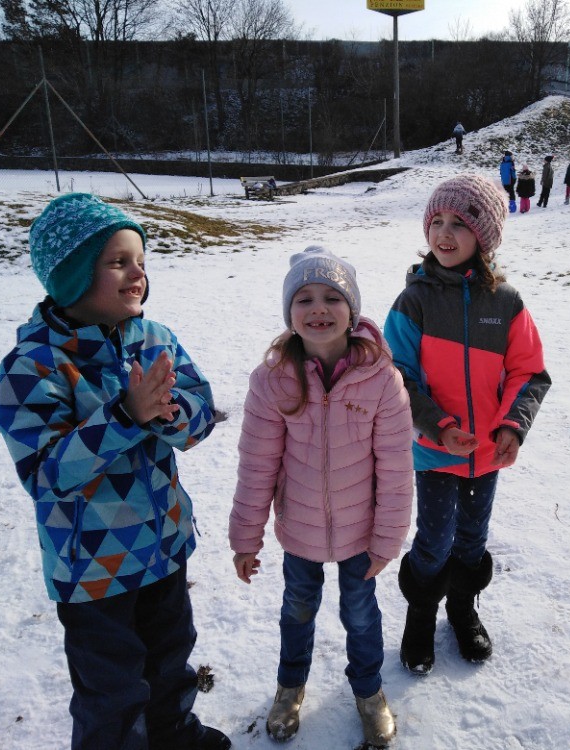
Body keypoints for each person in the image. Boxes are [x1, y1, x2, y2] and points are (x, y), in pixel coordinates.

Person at [0, 193, 229, 750]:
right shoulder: (34, 365)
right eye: (118, 262)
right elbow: (46, 474)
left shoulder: (155, 340)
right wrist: (126, 415)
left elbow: (200, 416)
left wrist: (168, 412)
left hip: (163, 546)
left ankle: (174, 734)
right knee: (111, 691)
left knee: (171, 658)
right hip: (93, 569)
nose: (137, 273)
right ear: (73, 276)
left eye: (140, 261)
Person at [229, 246, 414, 748]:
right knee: (297, 609)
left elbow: (396, 471)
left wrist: (387, 540)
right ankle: (289, 687)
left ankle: (369, 692)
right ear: (289, 312)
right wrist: (245, 539)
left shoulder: (382, 380)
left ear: (352, 311)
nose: (318, 309)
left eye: (333, 297)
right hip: (299, 529)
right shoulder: (272, 381)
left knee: (361, 614)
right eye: (304, 298)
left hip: (361, 533)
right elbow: (257, 465)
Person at [383, 174, 552, 676]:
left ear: (485, 236)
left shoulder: (507, 303)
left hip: (486, 453)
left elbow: (529, 372)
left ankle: (462, 608)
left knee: (473, 538)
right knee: (435, 539)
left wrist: (512, 426)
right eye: (436, 221)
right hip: (435, 452)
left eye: (459, 222)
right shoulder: (413, 302)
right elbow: (396, 376)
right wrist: (437, 426)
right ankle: (420, 615)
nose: (444, 232)